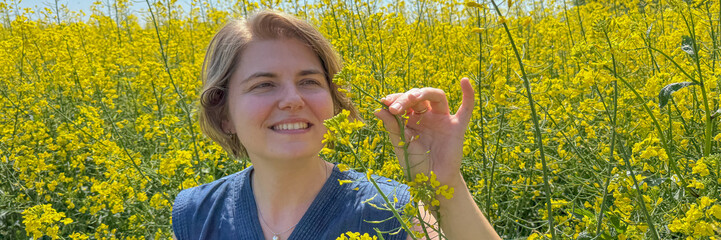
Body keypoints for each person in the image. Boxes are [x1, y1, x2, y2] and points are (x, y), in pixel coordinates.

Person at [172, 10, 500, 240]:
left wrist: (446, 188)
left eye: (310, 81)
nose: (293, 100)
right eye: (264, 85)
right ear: (224, 113)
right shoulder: (197, 214)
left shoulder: (391, 211)